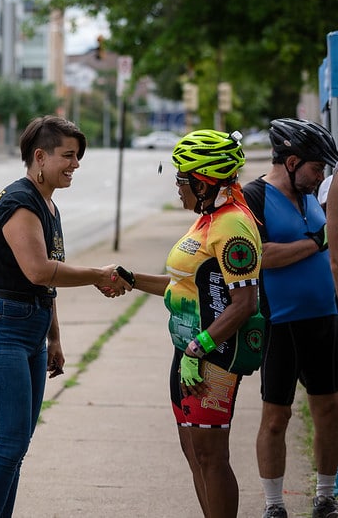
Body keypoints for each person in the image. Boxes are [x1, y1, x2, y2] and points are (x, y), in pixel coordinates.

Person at [0, 115, 132, 518]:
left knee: (16, 446)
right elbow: (39, 270)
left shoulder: (47, 204)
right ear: (40, 156)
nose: (75, 164)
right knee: (7, 443)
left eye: (78, 156)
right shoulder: (20, 201)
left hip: (28, 329)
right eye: (68, 156)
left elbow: (44, 280)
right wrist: (97, 275)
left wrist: (53, 338)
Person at [107, 130, 261, 518]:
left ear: (203, 181)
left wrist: (198, 349)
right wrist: (131, 277)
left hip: (213, 355)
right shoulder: (208, 219)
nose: (177, 186)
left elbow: (244, 303)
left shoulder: (232, 227)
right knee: (194, 452)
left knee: (211, 456)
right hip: (189, 351)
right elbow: (182, 285)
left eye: (181, 178)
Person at [242, 118, 338, 518]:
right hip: (280, 320)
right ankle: (274, 503)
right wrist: (316, 241)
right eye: (317, 168)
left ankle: (326, 496)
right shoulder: (254, 196)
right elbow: (258, 256)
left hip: (324, 315)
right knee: (277, 414)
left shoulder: (312, 194)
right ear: (293, 160)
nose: (321, 177)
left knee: (329, 408)